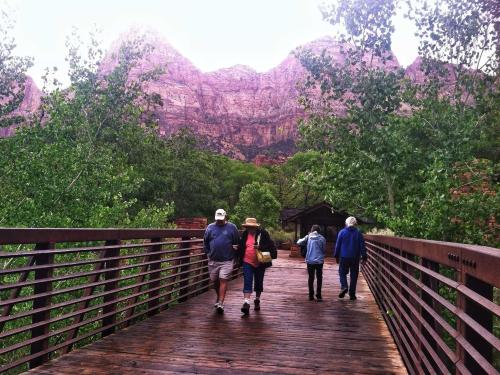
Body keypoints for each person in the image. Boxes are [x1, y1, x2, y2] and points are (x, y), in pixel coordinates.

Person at [237, 217, 277, 315]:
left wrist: (260, 247)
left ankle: (257, 299)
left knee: (259, 282)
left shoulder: (263, 234)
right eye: (248, 227)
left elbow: (271, 247)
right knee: (247, 280)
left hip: (260, 262)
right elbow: (242, 247)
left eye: (251, 227)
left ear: (255, 227)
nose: (249, 229)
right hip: (247, 261)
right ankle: (246, 302)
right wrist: (237, 249)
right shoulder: (245, 234)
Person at [203, 208, 240, 314]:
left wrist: (236, 253)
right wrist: (208, 253)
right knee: (214, 280)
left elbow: (237, 241)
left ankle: (220, 303)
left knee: (223, 279)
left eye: (221, 219)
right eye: (218, 219)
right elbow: (205, 242)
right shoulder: (210, 227)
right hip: (213, 259)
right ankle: (219, 297)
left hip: (227, 260)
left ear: (225, 217)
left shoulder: (232, 228)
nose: (219, 221)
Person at [334, 216, 367, 300]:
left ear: (346, 223)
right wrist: (364, 257)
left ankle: (344, 286)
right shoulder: (358, 233)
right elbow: (362, 245)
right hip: (355, 257)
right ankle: (352, 294)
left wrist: (336, 255)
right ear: (355, 223)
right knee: (354, 275)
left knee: (342, 273)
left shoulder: (342, 232)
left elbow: (338, 245)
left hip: (344, 257)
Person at [297, 224, 326, 301]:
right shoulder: (322, 238)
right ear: (319, 231)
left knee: (311, 277)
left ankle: (311, 295)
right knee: (319, 278)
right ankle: (319, 295)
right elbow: (323, 250)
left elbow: (298, 242)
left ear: (312, 230)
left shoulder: (308, 237)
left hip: (310, 260)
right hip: (319, 261)